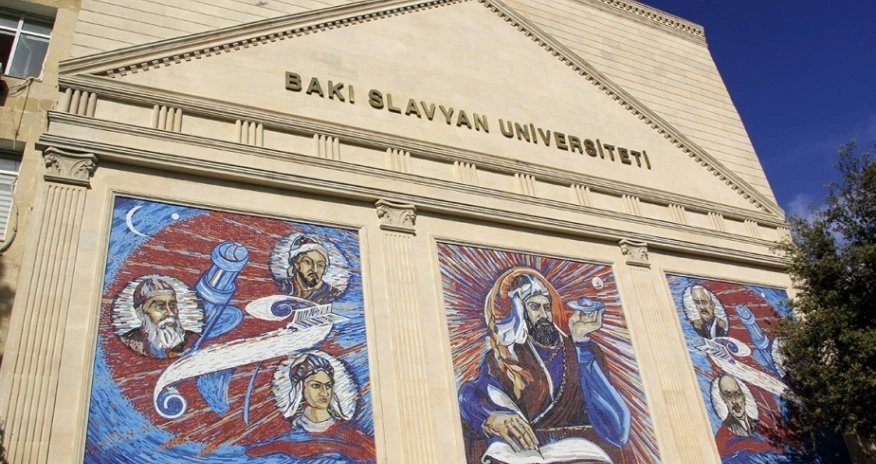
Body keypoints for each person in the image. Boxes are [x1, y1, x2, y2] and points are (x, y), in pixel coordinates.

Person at [458, 268, 631, 454]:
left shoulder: (581, 350)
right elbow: (470, 395)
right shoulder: (503, 357)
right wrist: (491, 417)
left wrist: (581, 344)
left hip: (581, 452)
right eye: (535, 307)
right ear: (519, 312)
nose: (544, 314)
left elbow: (617, 430)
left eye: (547, 307)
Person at [246, 354, 375, 462]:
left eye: (328, 386)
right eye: (316, 386)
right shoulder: (285, 440)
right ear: (300, 388)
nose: (324, 393)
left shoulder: (353, 438)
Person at [119, 277, 195, 358]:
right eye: (159, 306)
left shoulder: (193, 340)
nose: (171, 313)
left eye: (173, 305)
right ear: (140, 313)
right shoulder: (127, 343)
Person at [277, 235, 343, 304]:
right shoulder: (282, 286)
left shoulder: (334, 294)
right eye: (308, 262)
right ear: (296, 263)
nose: (315, 270)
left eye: (320, 265)